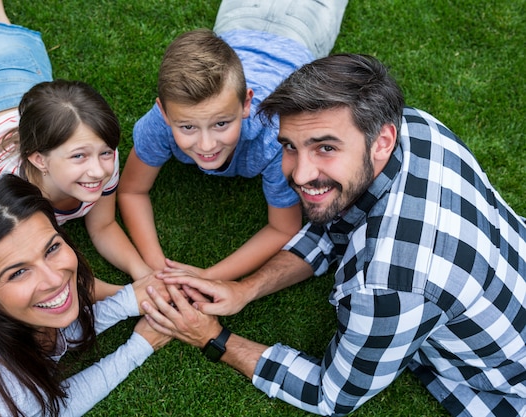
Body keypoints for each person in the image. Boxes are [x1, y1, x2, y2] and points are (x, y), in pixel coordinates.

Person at [142, 54, 526, 417]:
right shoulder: (419, 128)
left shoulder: (387, 286)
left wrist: (215, 338)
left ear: (382, 141)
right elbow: (335, 226)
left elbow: (331, 394)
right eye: (291, 147)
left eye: (325, 147)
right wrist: (246, 288)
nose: (300, 174)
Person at [0, 0, 153, 287]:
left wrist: (144, 273)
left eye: (105, 152)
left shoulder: (101, 157)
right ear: (38, 159)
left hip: (19, 80)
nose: (99, 170)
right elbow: (36, 273)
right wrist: (128, 294)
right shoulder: (4, 192)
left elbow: (103, 226)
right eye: (78, 156)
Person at [0, 174, 170, 417]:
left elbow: (55, 335)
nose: (54, 279)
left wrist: (128, 301)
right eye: (18, 273)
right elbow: (58, 407)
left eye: (51, 248)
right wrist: (139, 346)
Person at [118, 0, 348, 281]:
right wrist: (158, 267)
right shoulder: (158, 124)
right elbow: (131, 190)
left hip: (303, 28)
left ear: (246, 104)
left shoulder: (276, 138)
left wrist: (210, 276)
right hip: (239, 19)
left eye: (221, 123)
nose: (206, 145)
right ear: (164, 112)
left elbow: (283, 228)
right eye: (188, 126)